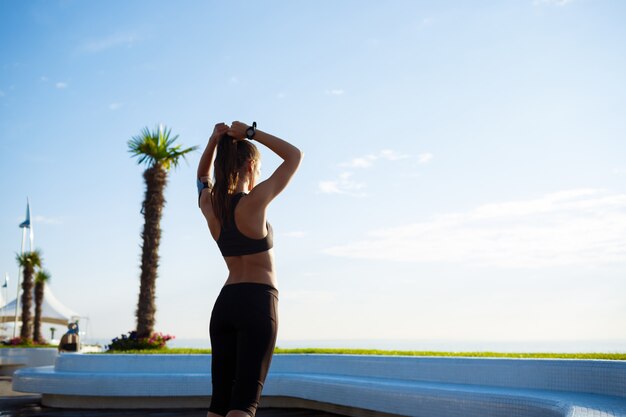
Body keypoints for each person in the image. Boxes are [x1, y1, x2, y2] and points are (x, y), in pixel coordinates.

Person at [197, 121, 302, 417]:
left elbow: (202, 177)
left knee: (219, 404)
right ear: (251, 164)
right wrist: (251, 134)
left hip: (225, 305)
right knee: (244, 404)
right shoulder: (254, 203)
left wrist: (214, 140)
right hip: (257, 302)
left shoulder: (210, 205)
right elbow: (294, 156)